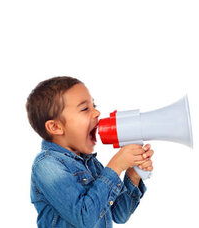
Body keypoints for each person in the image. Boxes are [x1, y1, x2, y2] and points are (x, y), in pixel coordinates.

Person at [27, 76, 154, 227]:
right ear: (55, 127)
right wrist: (116, 165)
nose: (97, 113)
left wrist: (132, 174)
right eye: (85, 109)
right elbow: (84, 217)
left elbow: (119, 214)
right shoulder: (47, 165)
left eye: (94, 105)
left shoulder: (89, 163)